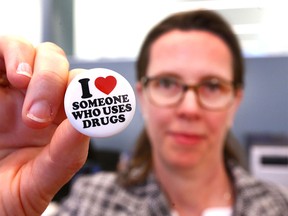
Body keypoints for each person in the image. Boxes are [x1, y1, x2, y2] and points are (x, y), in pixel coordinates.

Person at [0, 9, 288, 216]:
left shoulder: (275, 205)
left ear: (234, 102)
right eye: (166, 83)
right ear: (142, 97)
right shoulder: (94, 203)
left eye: (212, 86)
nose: (189, 108)